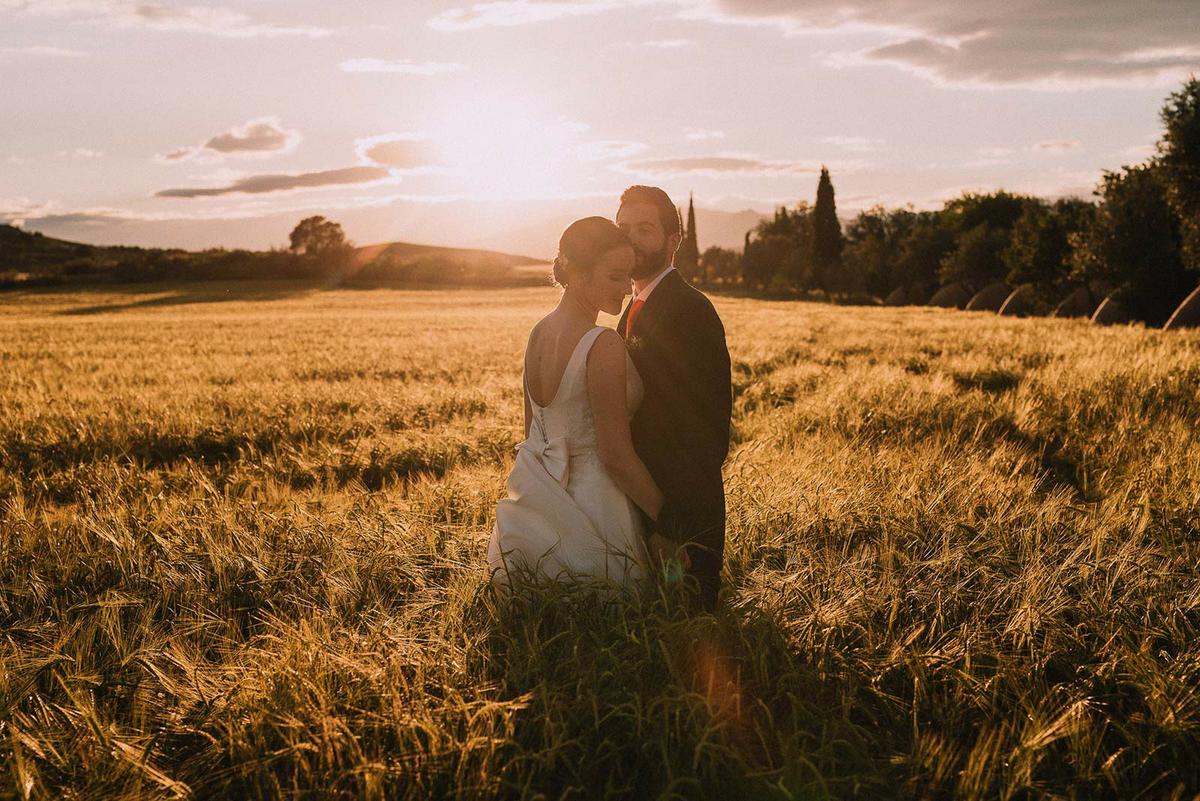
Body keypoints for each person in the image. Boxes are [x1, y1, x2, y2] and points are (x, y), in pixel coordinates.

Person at [488, 217, 667, 593]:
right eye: (615, 276)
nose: (626, 288)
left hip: (541, 504)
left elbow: (531, 435)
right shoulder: (601, 343)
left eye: (628, 276)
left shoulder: (538, 332)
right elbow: (615, 454)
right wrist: (668, 522)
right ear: (578, 273)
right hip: (599, 510)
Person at [615, 186, 733, 612]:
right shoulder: (630, 309)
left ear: (672, 241)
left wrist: (672, 526)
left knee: (690, 642)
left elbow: (703, 432)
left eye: (644, 229)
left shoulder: (689, 310)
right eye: (622, 228)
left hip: (681, 521)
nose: (630, 239)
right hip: (641, 511)